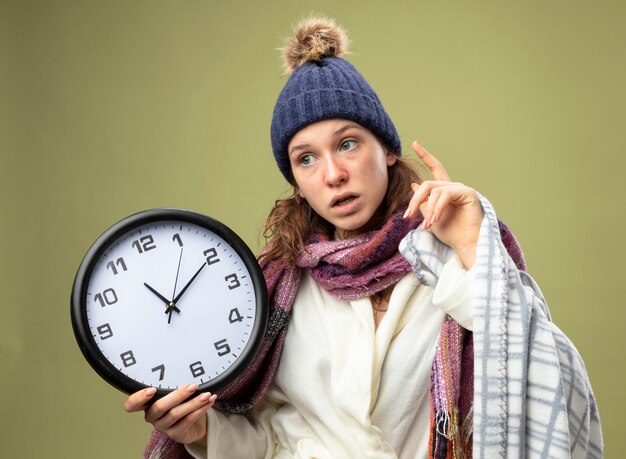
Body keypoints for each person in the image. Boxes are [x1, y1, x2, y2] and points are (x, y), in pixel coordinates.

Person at [124, 16, 603, 458]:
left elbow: (535, 365)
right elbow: (269, 439)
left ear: (388, 149)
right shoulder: (276, 287)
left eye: (348, 143)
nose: (332, 174)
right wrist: (201, 433)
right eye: (306, 158)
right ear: (295, 180)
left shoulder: (451, 256)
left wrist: (473, 249)